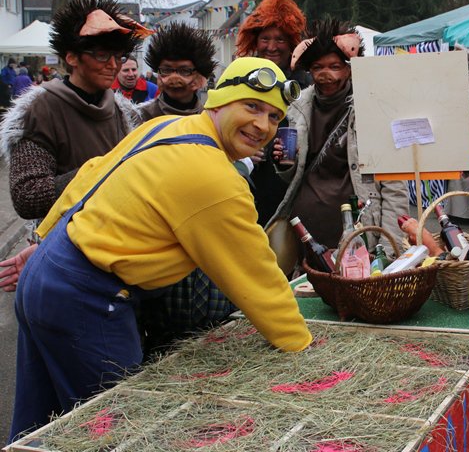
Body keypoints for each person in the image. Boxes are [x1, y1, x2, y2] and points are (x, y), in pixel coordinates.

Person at [9, 57, 311, 440]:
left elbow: (93, 174)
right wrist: (301, 347)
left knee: (39, 426)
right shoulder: (214, 176)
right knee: (119, 434)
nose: (262, 125)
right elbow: (258, 275)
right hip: (88, 301)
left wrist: (45, 240)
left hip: (49, 272)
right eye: (251, 106)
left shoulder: (169, 125)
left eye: (273, 116)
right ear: (218, 102)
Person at [133, 22, 237, 355]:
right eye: (166, 70)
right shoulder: (138, 119)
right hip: (158, 240)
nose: (175, 78)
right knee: (161, 334)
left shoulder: (217, 120)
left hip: (208, 240)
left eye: (184, 70)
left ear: (200, 77)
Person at [268, 18, 409, 260]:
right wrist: (284, 165)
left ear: (350, 67)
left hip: (358, 234)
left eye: (334, 66)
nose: (325, 75)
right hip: (306, 235)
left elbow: (394, 187)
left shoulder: (374, 107)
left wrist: (389, 250)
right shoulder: (298, 106)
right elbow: (297, 176)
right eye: (317, 67)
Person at [0, 0, 142, 223]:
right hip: (63, 244)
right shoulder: (40, 110)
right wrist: (102, 170)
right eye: (102, 55)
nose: (114, 65)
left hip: (116, 236)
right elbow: (27, 196)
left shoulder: (123, 112)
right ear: (72, 57)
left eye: (118, 56)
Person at [235, 0, 311, 226]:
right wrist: (239, 148)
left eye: (280, 39)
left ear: (292, 44)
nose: (272, 46)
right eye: (265, 39)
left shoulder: (304, 83)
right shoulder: (242, 78)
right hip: (245, 185)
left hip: (288, 189)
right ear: (255, 41)